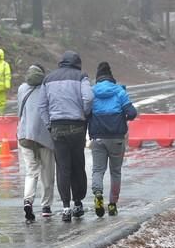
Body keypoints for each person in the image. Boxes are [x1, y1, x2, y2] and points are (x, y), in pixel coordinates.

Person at [38, 51, 94, 222]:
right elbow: (89, 98)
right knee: (78, 164)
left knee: (63, 167)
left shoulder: (48, 79)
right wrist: (84, 114)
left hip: (57, 127)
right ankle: (78, 203)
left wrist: (49, 124)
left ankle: (65, 208)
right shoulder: (81, 76)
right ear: (77, 63)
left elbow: (42, 105)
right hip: (77, 126)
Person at [88, 62, 137, 217]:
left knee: (97, 170)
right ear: (111, 76)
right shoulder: (119, 92)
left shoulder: (91, 92)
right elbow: (132, 112)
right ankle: (112, 205)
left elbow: (85, 112)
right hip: (116, 139)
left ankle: (98, 197)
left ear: (97, 77)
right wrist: (124, 117)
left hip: (97, 139)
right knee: (115, 172)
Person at [17, 64, 55, 221]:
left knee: (31, 172)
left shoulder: (21, 89)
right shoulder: (48, 88)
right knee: (47, 172)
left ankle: (28, 201)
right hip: (44, 137)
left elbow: (20, 111)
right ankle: (46, 207)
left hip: (25, 136)